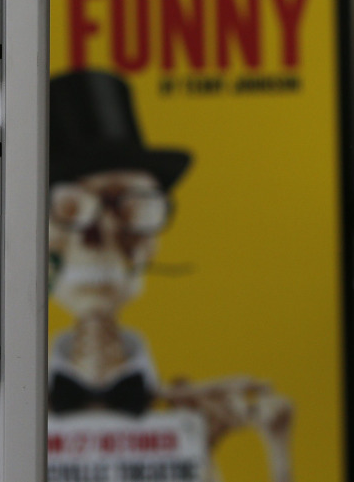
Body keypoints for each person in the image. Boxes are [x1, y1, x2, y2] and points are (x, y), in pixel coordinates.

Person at [48, 70, 293, 482]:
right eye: (72, 210)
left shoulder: (190, 414)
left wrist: (276, 446)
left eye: (131, 210)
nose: (100, 235)